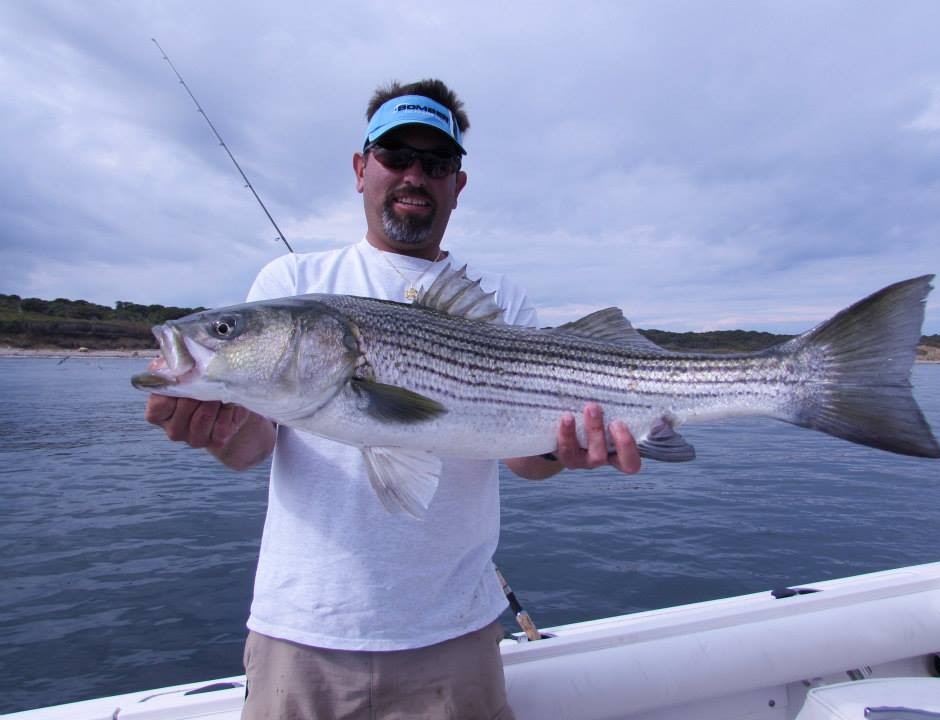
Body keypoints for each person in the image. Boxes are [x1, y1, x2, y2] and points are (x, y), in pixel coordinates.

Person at [145, 79, 642, 720]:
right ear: (361, 169)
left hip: (456, 633)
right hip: (302, 631)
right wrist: (212, 428)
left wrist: (561, 449)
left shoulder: (501, 298)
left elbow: (524, 457)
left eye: (435, 164)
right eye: (395, 156)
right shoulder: (292, 282)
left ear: (457, 185)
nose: (414, 175)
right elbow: (251, 447)